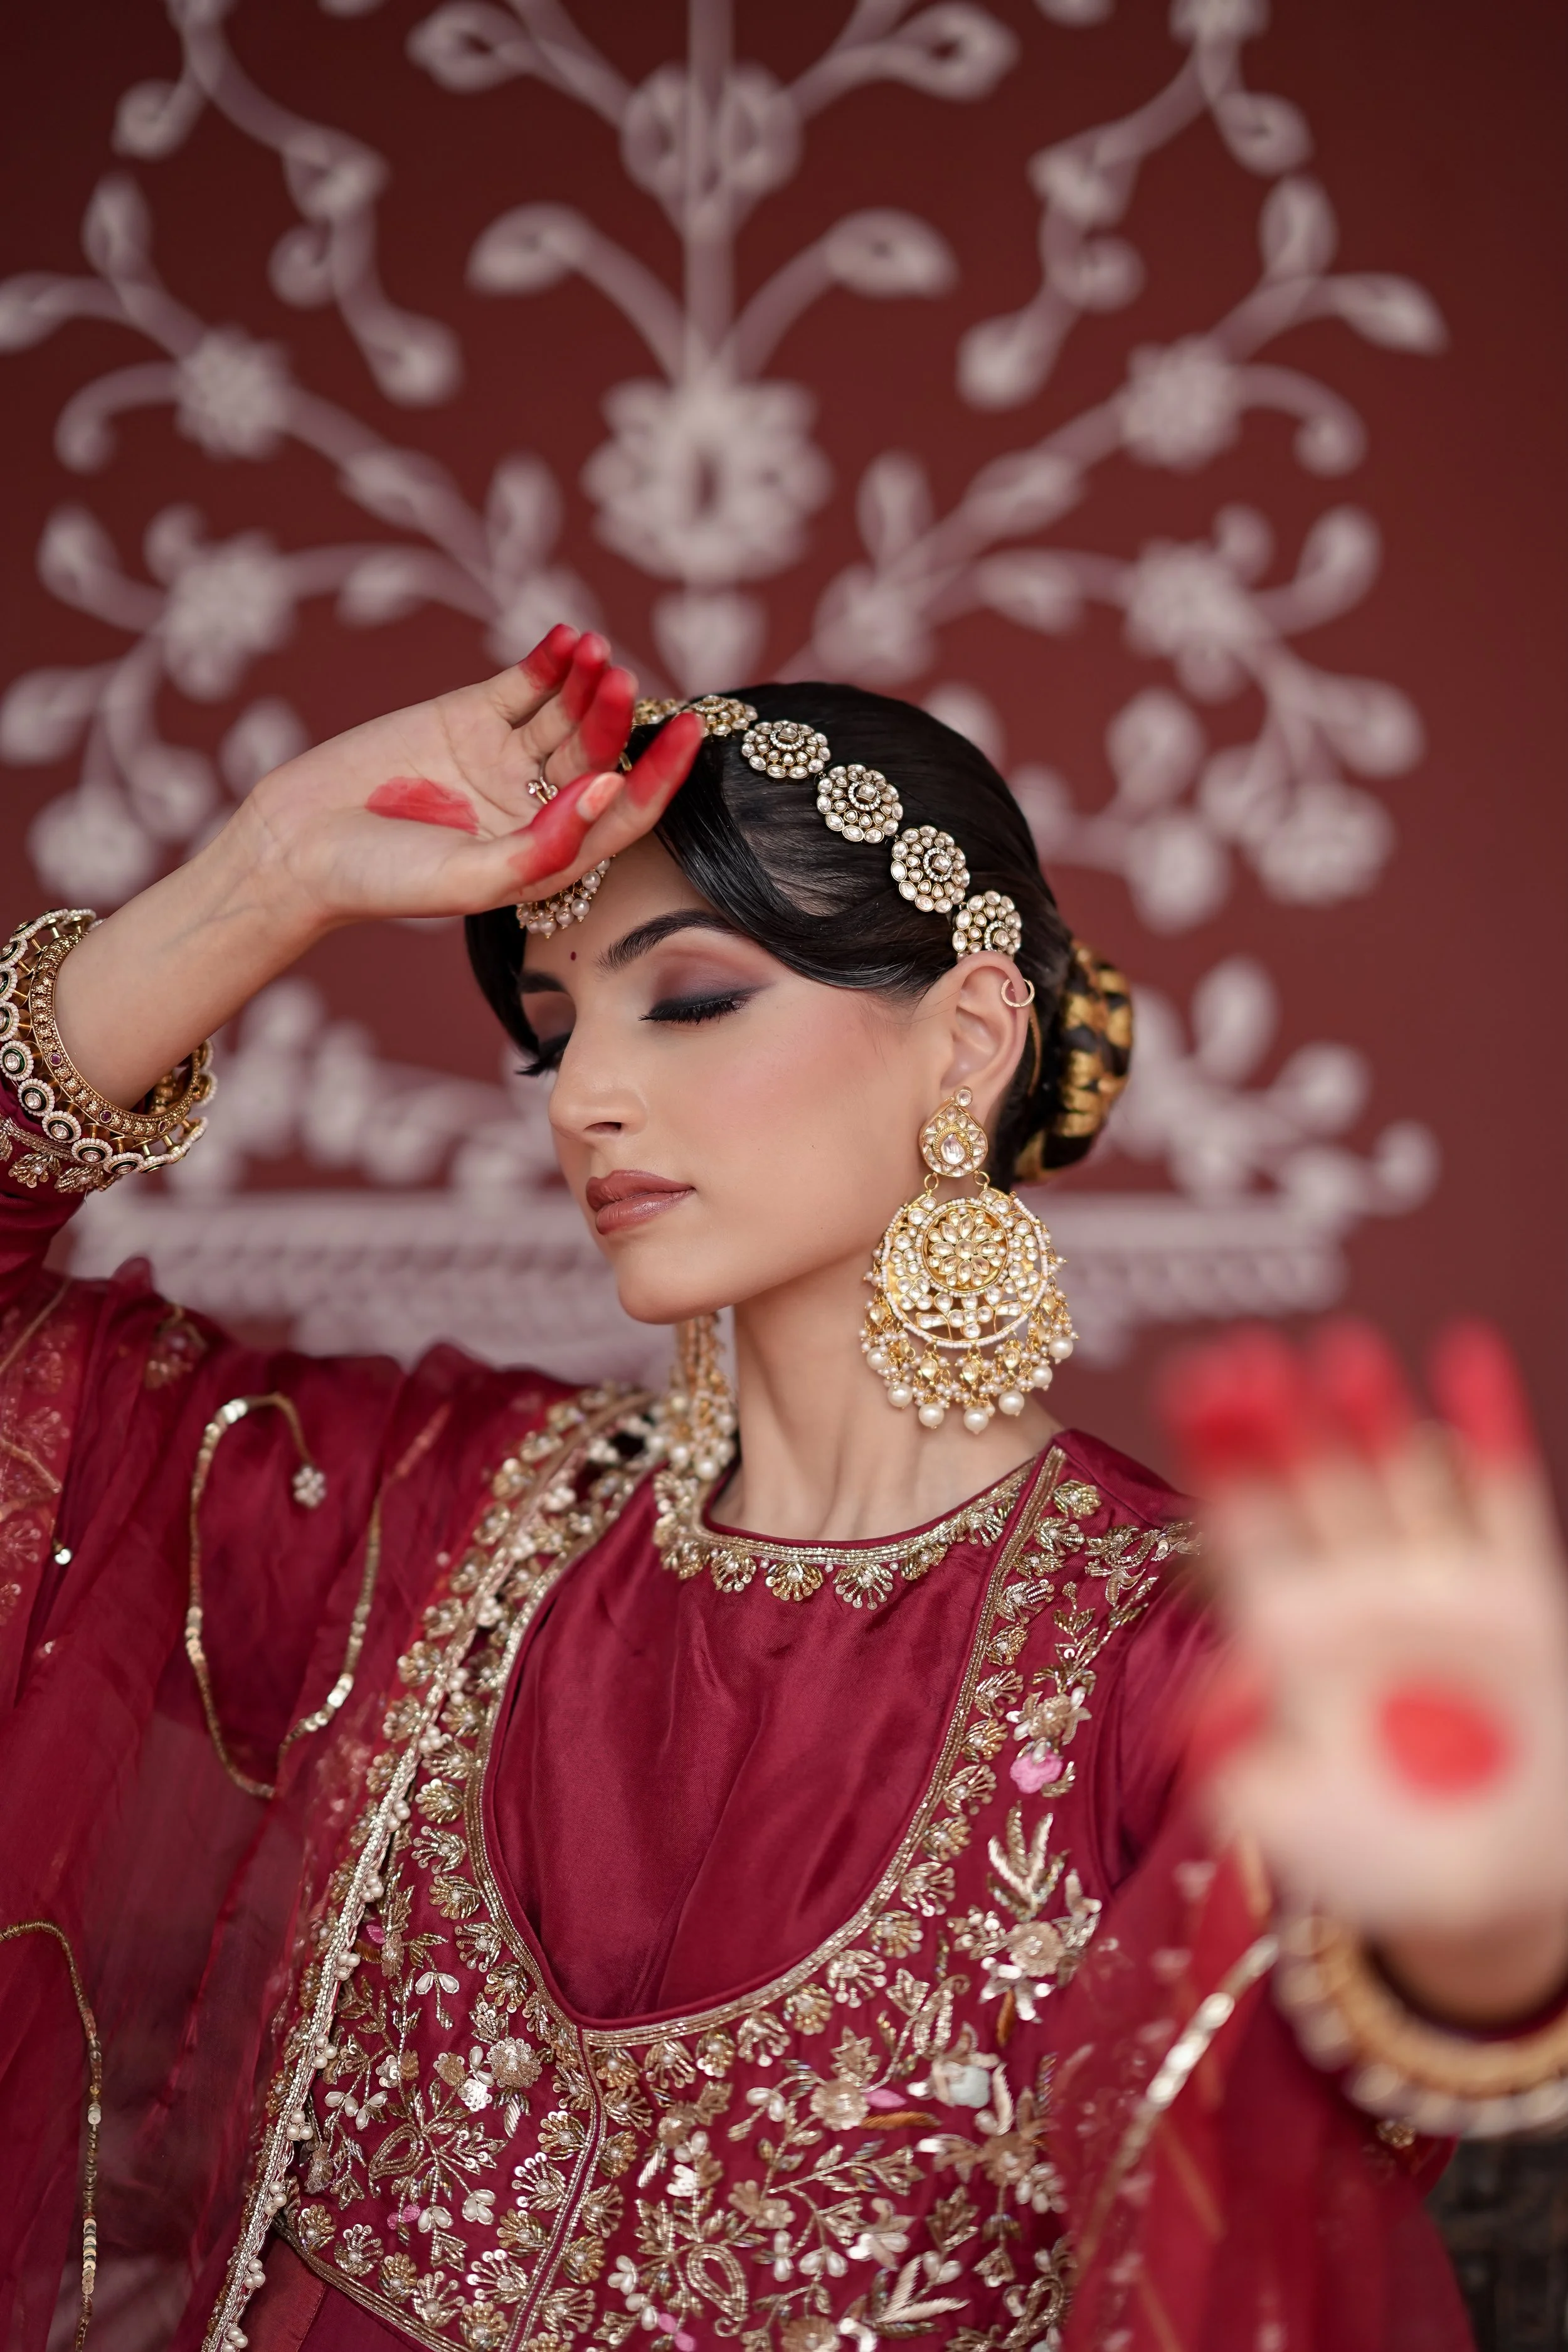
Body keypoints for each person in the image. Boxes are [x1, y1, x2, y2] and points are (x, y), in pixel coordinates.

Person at [1, 625, 1565, 2352]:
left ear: (966, 1036)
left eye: (687, 999)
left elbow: (1345, 2053)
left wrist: (1488, 1928)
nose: (586, 1096)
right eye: (551, 1031)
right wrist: (265, 869)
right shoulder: (438, 1520)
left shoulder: (1154, 1653)